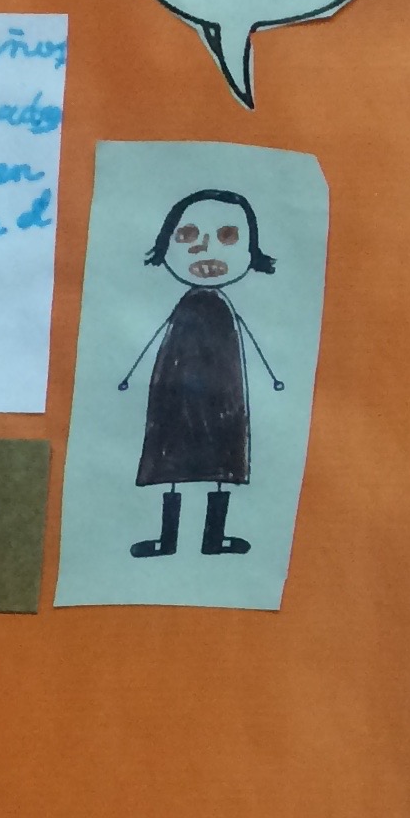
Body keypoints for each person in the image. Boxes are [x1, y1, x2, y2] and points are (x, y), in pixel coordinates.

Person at [113, 189, 286, 561]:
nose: (206, 250)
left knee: (221, 460)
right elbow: (160, 337)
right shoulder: (187, 307)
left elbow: (246, 339)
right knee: (172, 458)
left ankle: (214, 538)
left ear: (251, 250)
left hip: (222, 395)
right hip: (176, 395)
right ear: (166, 244)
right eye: (188, 235)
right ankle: (167, 540)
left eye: (227, 236)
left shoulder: (223, 311)